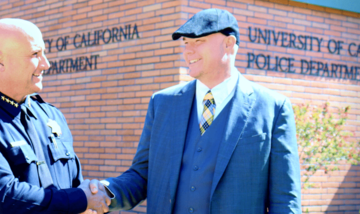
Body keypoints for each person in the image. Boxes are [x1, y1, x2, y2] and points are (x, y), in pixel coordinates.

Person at [89, 8, 302, 213]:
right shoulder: (162, 103)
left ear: (229, 44)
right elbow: (142, 175)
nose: (188, 50)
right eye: (186, 43)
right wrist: (104, 192)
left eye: (198, 41)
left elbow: (285, 199)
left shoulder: (273, 108)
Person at [0, 18, 111, 214]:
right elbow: (5, 199)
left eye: (44, 53)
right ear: (0, 60)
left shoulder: (51, 115)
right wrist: (81, 199)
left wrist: (88, 199)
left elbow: (73, 186)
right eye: (35, 54)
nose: (46, 64)